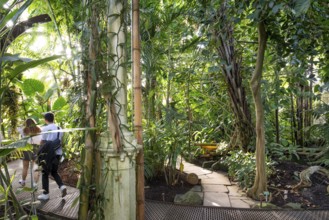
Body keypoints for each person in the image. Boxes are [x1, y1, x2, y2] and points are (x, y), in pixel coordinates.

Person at [37, 112, 67, 200]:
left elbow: (42, 142)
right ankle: (62, 186)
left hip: (47, 155)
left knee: (44, 173)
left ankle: (45, 194)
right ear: (53, 119)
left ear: (45, 119)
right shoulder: (59, 128)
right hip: (57, 153)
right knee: (54, 172)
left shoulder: (45, 129)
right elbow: (60, 141)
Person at [19, 118, 42, 187]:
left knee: (25, 167)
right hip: (36, 148)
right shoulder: (39, 129)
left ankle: (23, 181)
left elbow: (20, 135)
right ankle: (35, 184)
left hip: (27, 149)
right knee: (36, 167)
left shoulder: (23, 130)